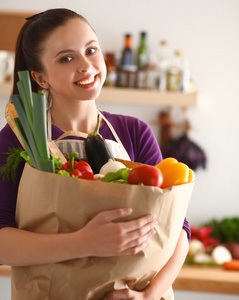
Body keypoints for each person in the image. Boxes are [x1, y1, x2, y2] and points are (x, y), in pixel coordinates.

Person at [0, 8, 190, 300]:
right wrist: (86, 243)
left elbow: (177, 227)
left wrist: (149, 295)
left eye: (91, 50)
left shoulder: (135, 132)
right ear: (40, 77)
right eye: (66, 58)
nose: (86, 65)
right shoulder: (19, 138)